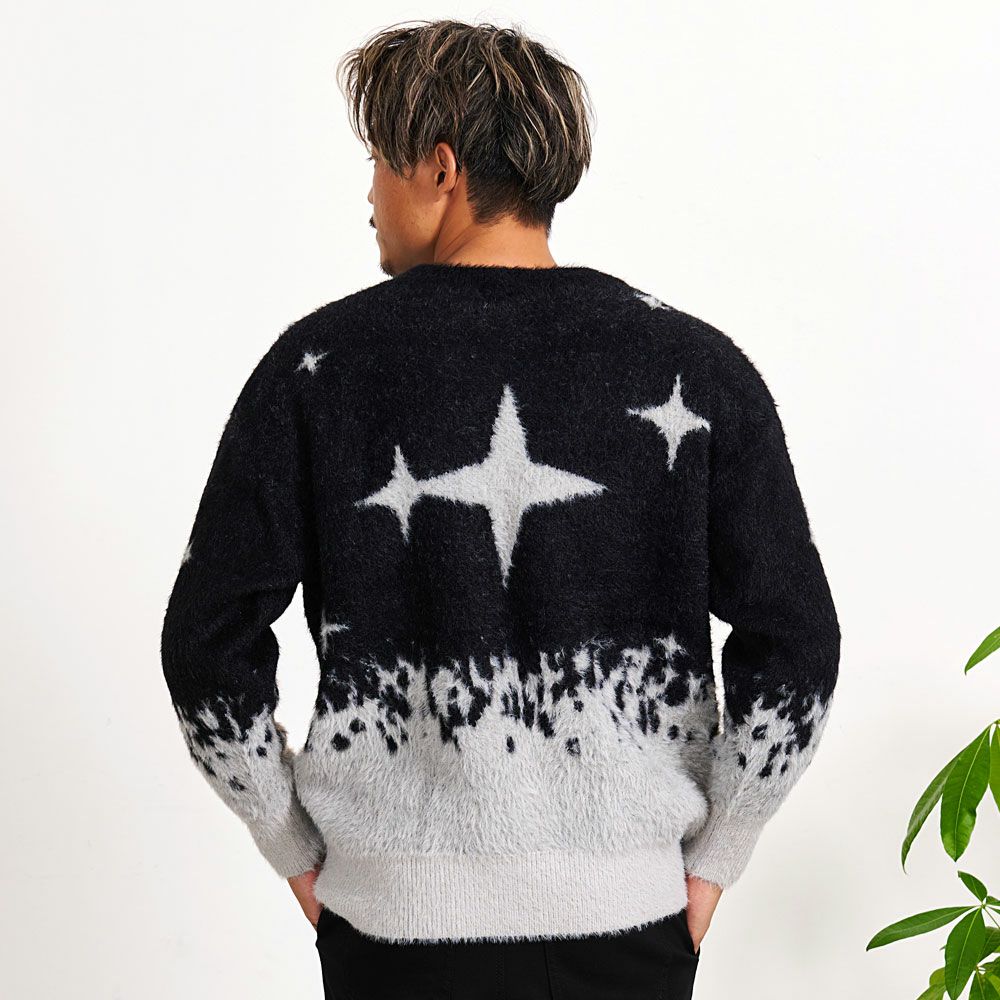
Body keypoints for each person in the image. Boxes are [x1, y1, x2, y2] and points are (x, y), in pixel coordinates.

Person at [160, 18, 841, 999]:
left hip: (392, 932)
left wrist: (290, 845)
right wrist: (716, 856)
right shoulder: (696, 367)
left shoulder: (320, 369)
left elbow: (205, 643)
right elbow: (798, 641)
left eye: (377, 161)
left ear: (439, 169)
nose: (367, 195)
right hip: (629, 928)